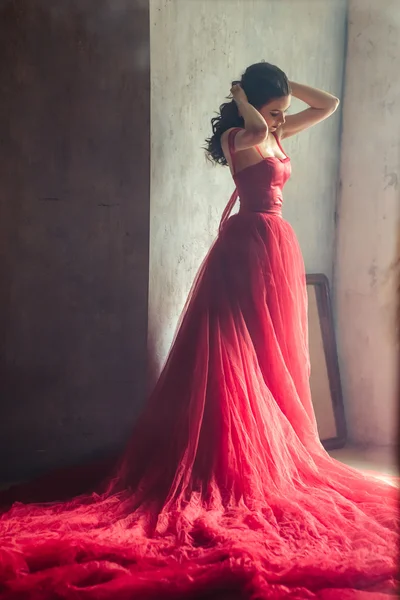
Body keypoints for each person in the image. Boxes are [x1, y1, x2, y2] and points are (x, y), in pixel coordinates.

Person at [0, 62, 398, 600]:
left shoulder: (274, 129)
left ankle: (270, 443)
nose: (281, 120)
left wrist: (283, 87)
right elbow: (258, 131)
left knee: (268, 354)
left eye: (281, 112)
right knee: (235, 353)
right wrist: (241, 95)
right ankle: (220, 455)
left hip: (277, 246)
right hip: (246, 249)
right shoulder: (243, 134)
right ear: (248, 106)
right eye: (275, 109)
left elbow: (327, 104)